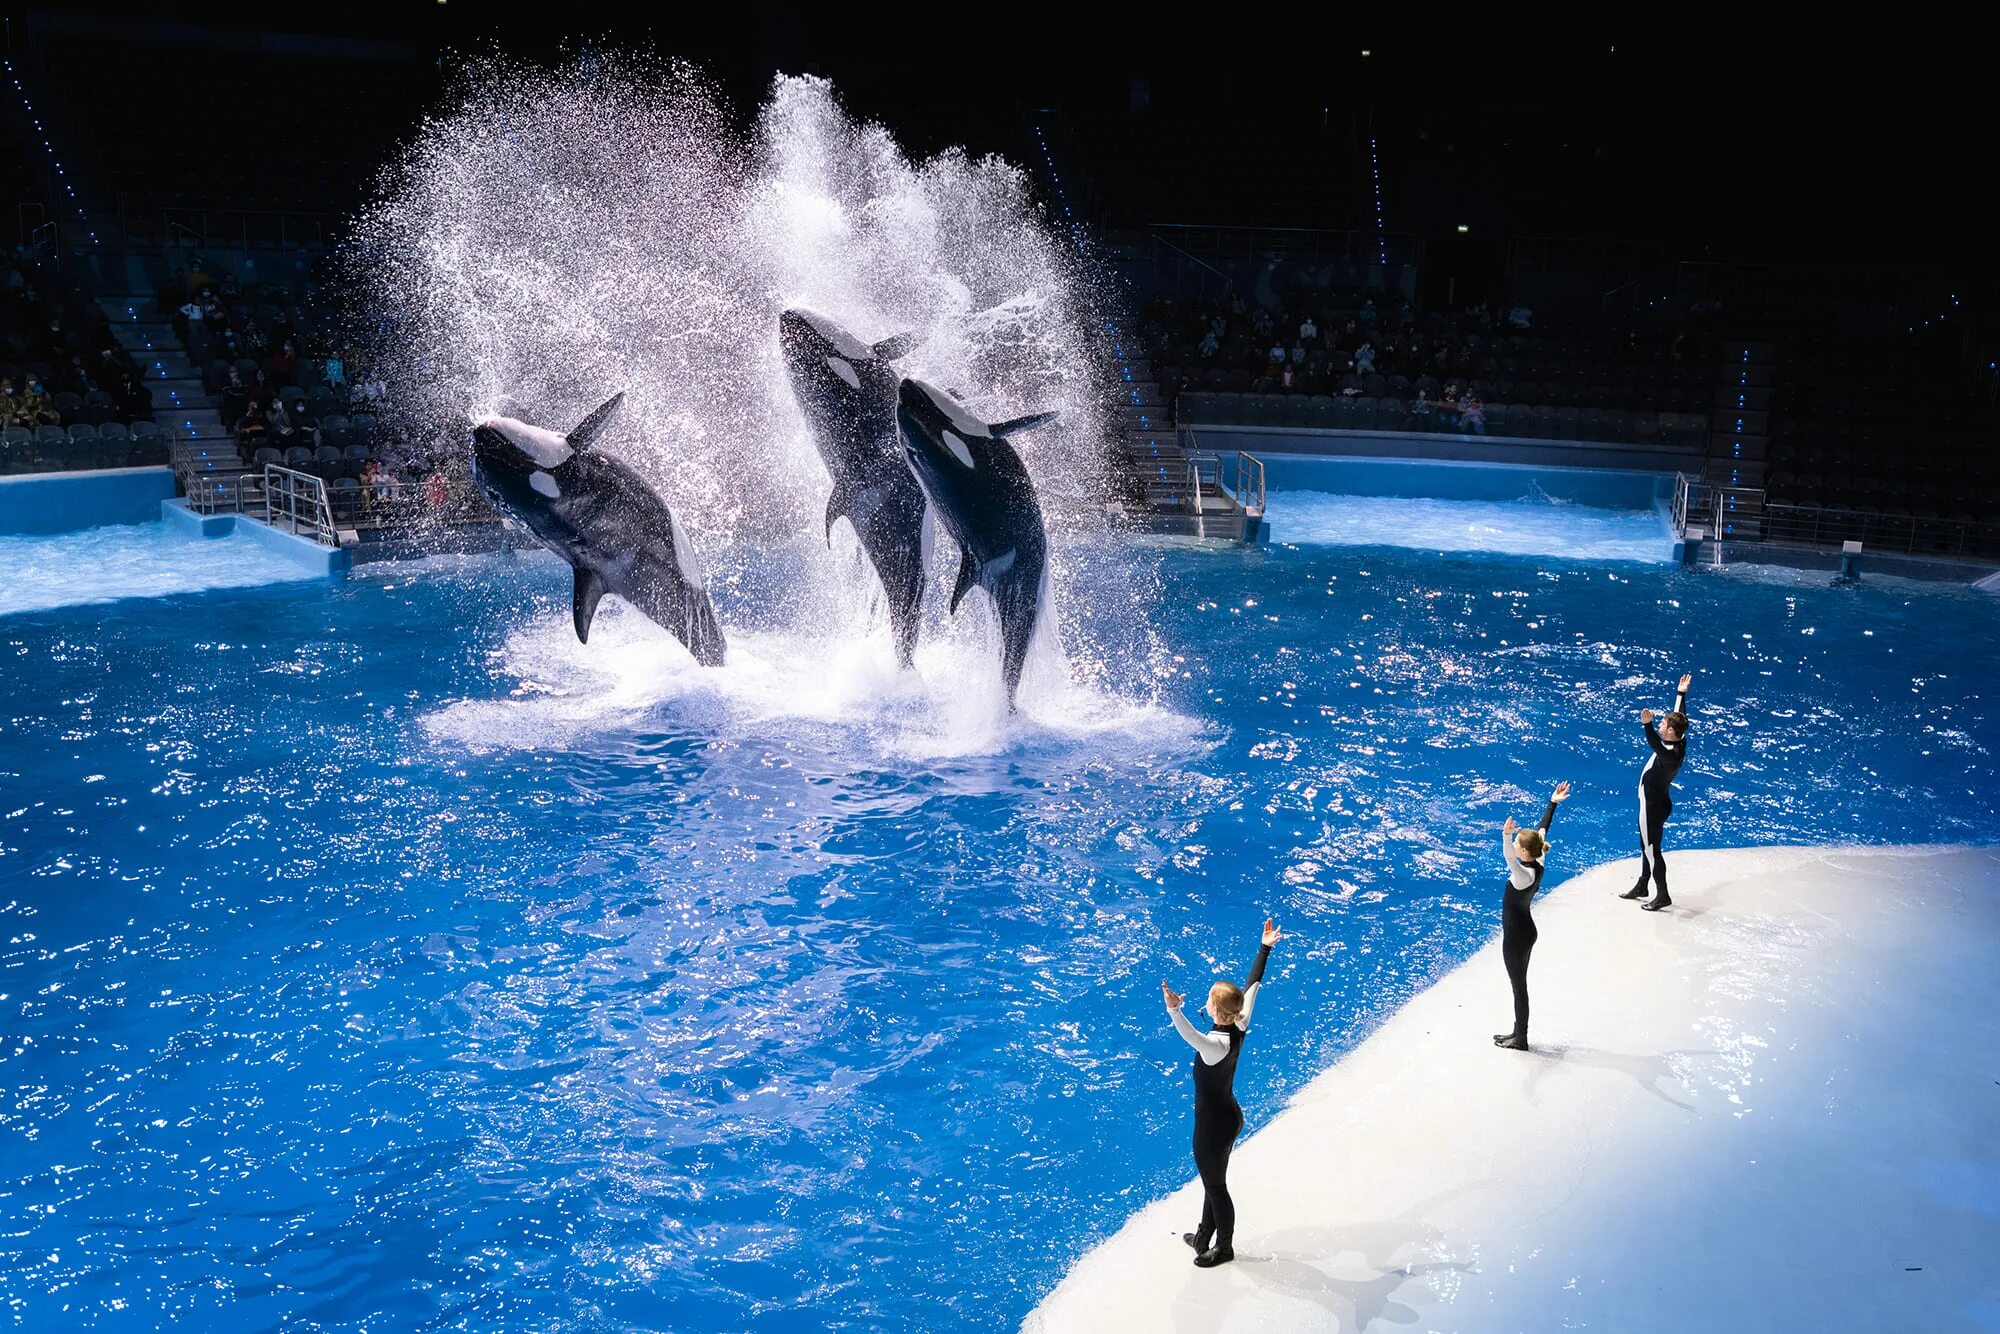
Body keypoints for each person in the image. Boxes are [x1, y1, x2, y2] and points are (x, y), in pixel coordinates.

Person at [1162, 917, 1281, 1269]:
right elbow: (1253, 983)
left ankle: (1224, 1248)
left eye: (1209, 1001)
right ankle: (1203, 1237)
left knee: (1216, 1187)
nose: (1208, 1003)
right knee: (1212, 1180)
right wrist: (1264, 948)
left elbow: (1189, 1036)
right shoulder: (1240, 1022)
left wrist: (1173, 1008)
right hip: (1229, 1117)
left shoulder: (1214, 1043)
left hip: (1213, 1127)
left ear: (1215, 1010)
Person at [1496, 781, 1571, 1050]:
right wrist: (1552, 803)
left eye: (1518, 843)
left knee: (1519, 988)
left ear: (1524, 852)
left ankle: (1521, 1039)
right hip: (1526, 931)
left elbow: (1508, 858)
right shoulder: (1538, 860)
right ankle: (1517, 1032)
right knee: (1519, 985)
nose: (1515, 844)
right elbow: (1542, 830)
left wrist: (1506, 836)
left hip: (1516, 938)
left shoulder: (1523, 873)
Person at [1622, 674, 1692, 910]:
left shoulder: (1670, 754)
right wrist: (1680, 694)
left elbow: (1654, 742)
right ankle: (1643, 884)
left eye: (1663, 724)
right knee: (1647, 846)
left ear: (1671, 732)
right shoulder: (1680, 739)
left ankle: (1662, 895)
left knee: (1652, 850)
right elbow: (1680, 716)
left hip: (1651, 807)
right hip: (1658, 803)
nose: (1661, 725)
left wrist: (1647, 725)